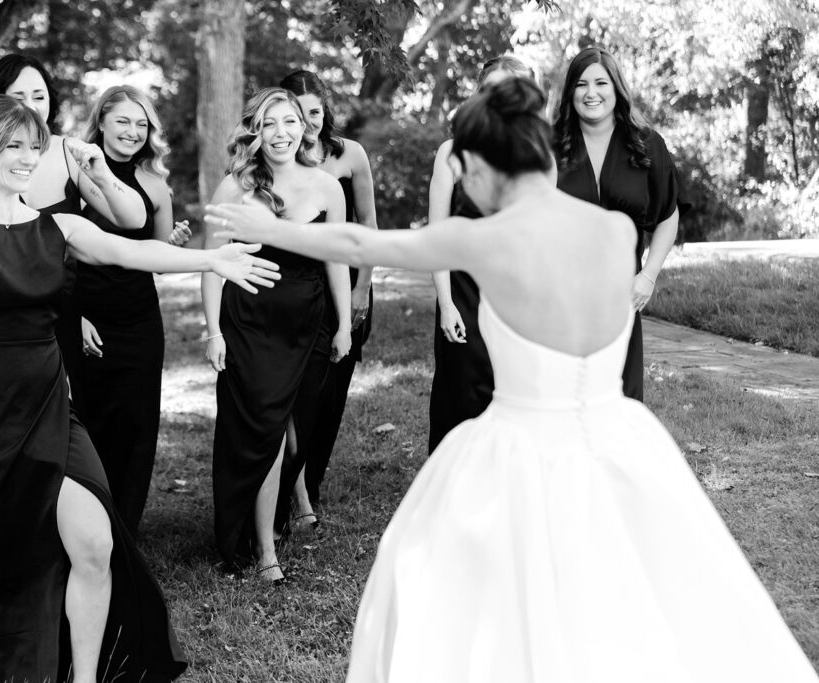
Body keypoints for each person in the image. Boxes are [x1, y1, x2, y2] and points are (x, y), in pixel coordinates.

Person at [205, 78, 819, 682]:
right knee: (634, 600)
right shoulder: (616, 230)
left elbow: (360, 239)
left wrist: (275, 230)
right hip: (622, 437)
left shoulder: (486, 239)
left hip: (522, 450)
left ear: (476, 165)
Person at [0, 94, 278, 682]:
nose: (26, 160)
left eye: (34, 149)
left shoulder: (59, 225)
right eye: (11, 147)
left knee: (94, 543)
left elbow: (131, 250)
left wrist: (212, 261)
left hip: (51, 404)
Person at [0, 53, 147, 384]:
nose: (31, 106)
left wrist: (102, 175)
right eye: (18, 97)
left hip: (56, 316)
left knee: (58, 419)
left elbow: (133, 219)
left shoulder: (68, 153)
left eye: (39, 96)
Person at [202, 87, 351, 585]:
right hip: (250, 325)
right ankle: (265, 549)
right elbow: (211, 267)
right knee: (263, 433)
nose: (281, 133)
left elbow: (336, 258)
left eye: (289, 122)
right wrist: (213, 331)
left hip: (308, 325)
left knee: (296, 435)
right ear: (256, 132)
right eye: (269, 124)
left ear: (304, 128)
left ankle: (273, 514)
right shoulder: (235, 188)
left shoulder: (327, 187)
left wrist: (345, 323)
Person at [73, 85, 191, 534]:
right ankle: (84, 528)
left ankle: (124, 531)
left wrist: (171, 246)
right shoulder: (72, 173)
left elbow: (155, 258)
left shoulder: (157, 186)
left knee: (135, 430)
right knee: (88, 427)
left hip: (138, 320)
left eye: (142, 124)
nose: (133, 131)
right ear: (101, 120)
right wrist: (74, 315)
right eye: (123, 120)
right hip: (84, 314)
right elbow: (55, 251)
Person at [554, 46, 686, 402]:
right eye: (581, 84)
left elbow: (668, 215)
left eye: (601, 82)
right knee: (563, 400)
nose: (591, 93)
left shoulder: (646, 145)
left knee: (619, 401)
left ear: (617, 88)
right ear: (570, 92)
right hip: (560, 298)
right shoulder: (549, 147)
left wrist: (648, 276)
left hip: (621, 298)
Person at [278, 70, 378, 520]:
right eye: (297, 113)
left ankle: (309, 486)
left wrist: (361, 290)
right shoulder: (279, 162)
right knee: (296, 398)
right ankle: (295, 497)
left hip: (348, 287)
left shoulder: (350, 155)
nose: (308, 122)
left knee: (329, 399)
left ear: (325, 111)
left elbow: (368, 228)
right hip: (299, 289)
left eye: (314, 111)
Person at [426, 54, 535, 454]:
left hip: (512, 297)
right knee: (462, 400)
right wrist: (446, 303)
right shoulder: (451, 153)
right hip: (462, 295)